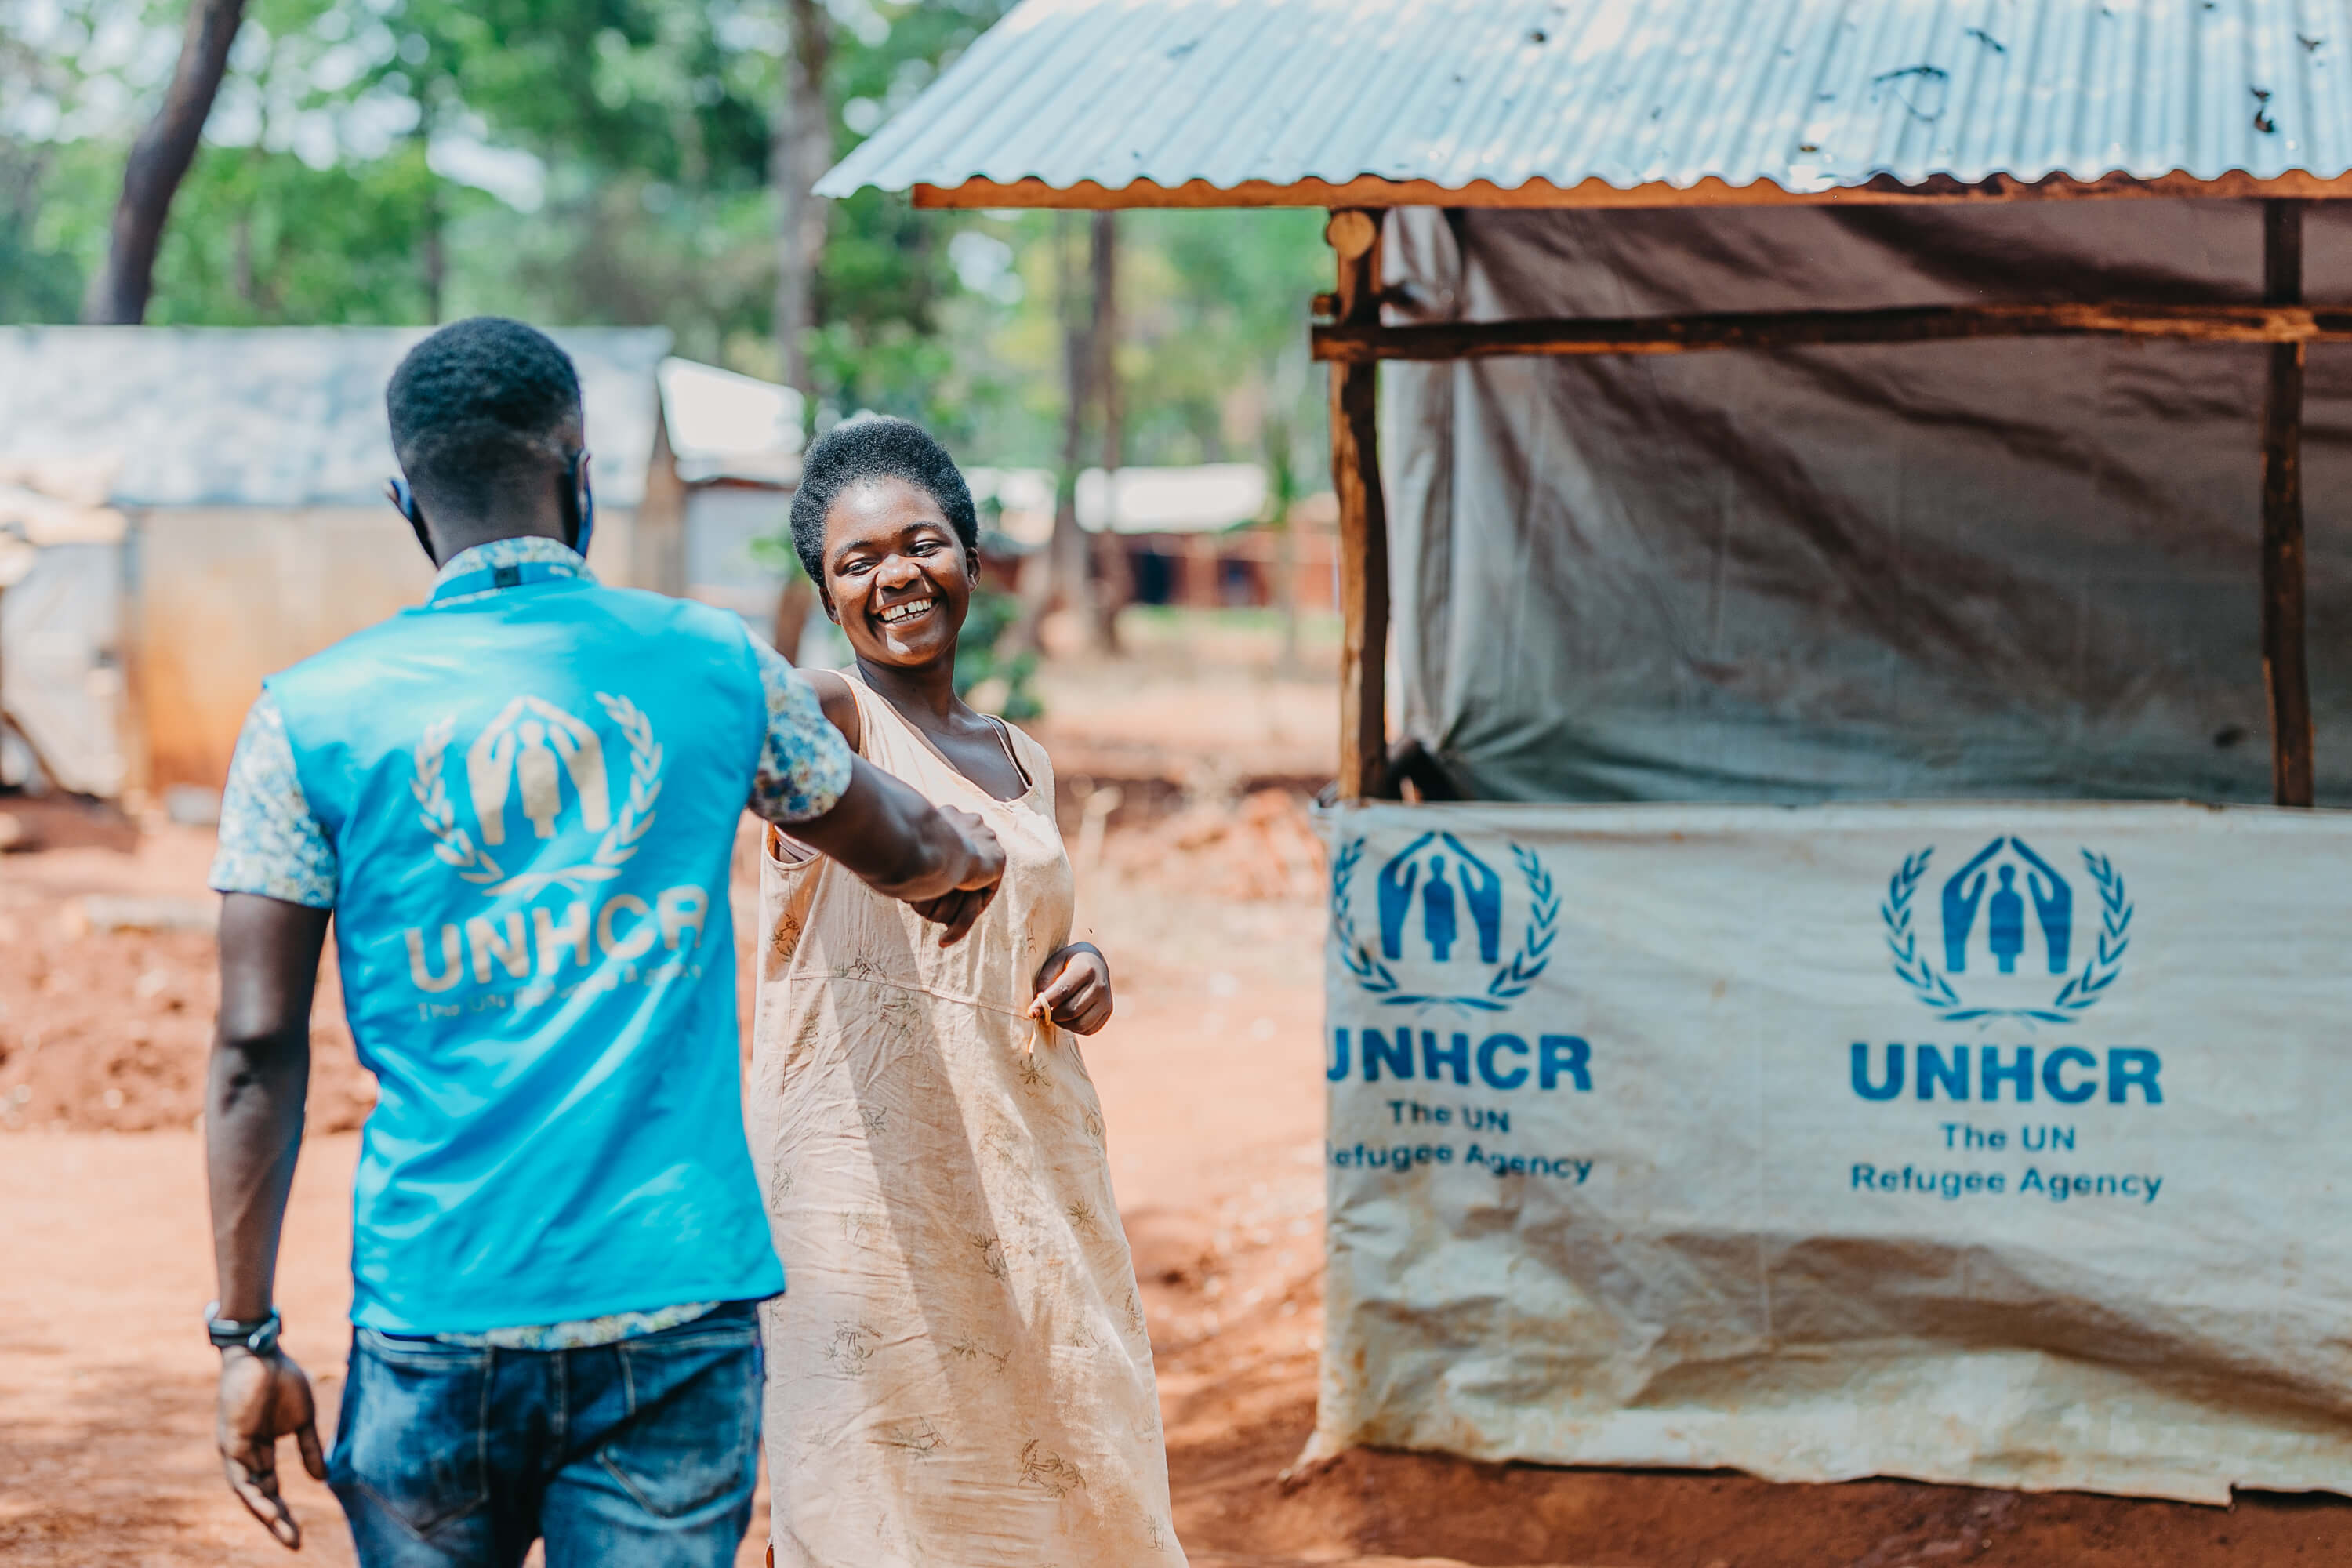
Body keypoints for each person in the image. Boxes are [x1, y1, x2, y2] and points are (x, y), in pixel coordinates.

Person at [202, 318, 1005, 1566]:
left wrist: (245, 1338)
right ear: (582, 477)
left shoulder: (304, 719)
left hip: (434, 1311)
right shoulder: (711, 667)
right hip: (673, 1314)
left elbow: (255, 1046)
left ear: (405, 499)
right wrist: (975, 858)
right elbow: (895, 839)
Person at [749, 418, 1185, 1566]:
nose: (896, 574)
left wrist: (1083, 965)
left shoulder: (1021, 755)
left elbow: (1036, 929)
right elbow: (760, 720)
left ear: (971, 558)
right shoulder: (835, 721)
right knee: (873, 1478)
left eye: (921, 542)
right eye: (857, 562)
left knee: (1071, 1453)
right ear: (828, 595)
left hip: (1029, 1174)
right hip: (866, 1191)